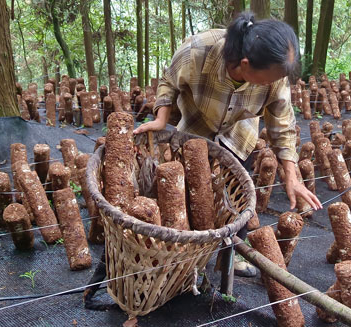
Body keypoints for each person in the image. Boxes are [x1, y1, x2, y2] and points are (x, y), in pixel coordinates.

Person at [133, 12, 322, 277]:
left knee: (238, 196)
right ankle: (178, 253)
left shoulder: (275, 74)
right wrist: (162, 118)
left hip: (238, 131)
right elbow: (169, 81)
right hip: (196, 124)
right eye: (267, 79)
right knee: (183, 191)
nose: (272, 84)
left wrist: (291, 175)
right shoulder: (198, 50)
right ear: (245, 65)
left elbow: (282, 123)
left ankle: (231, 257)